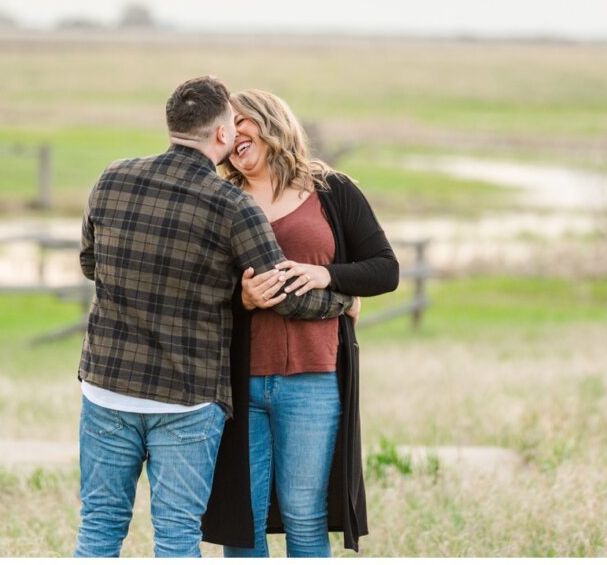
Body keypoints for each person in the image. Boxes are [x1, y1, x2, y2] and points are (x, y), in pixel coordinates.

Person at [74, 76, 358, 558]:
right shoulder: (233, 205)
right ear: (222, 135)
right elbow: (282, 294)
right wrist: (340, 300)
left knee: (99, 527)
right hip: (188, 398)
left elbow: (90, 263)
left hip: (107, 389)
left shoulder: (112, 176)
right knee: (178, 536)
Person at [201, 90, 399, 557]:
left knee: (305, 516)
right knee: (242, 522)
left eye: (241, 121)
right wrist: (242, 298)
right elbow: (199, 288)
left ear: (270, 121)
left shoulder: (332, 190)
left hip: (315, 380)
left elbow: (385, 269)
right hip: (240, 384)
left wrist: (327, 274)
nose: (233, 134)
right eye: (227, 128)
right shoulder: (222, 198)